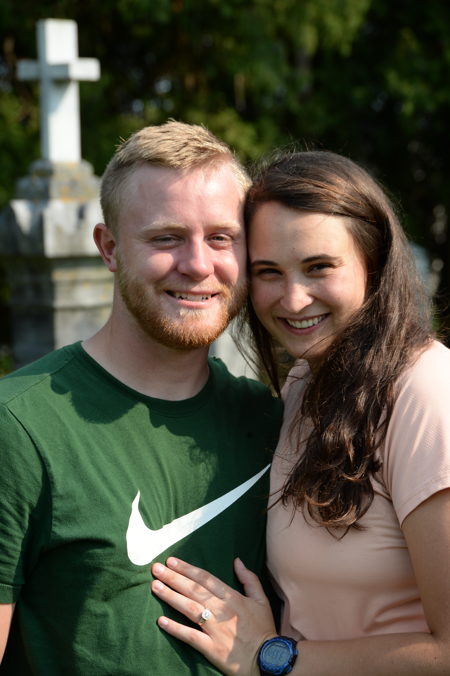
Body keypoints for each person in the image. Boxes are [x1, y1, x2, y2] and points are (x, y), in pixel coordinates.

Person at [151, 150, 450, 674]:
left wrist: (271, 657)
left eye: (318, 267)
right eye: (269, 272)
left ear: (373, 262)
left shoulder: (424, 391)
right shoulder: (304, 385)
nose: (292, 300)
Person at [0, 121, 283, 675]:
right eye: (166, 238)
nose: (197, 264)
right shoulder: (19, 425)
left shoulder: (273, 421)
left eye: (220, 238)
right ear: (109, 248)